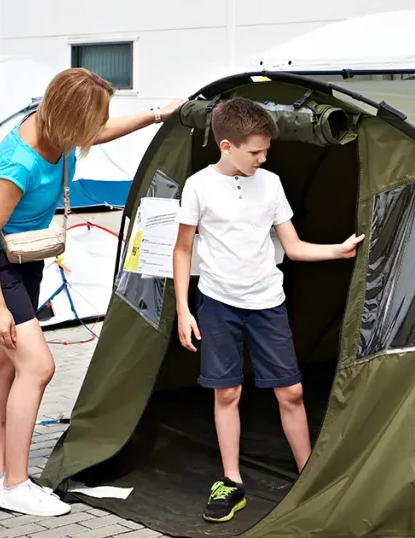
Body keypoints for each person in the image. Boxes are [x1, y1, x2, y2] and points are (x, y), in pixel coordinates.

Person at [0, 67, 181, 517]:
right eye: (92, 118)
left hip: (25, 256)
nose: (96, 127)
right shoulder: (19, 162)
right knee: (38, 367)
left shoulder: (60, 131)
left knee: (3, 365)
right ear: (70, 116)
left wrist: (159, 114)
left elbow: (105, 131)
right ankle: (17, 486)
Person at [172, 97, 364, 523]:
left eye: (265, 151)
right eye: (255, 151)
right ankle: (231, 481)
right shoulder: (198, 186)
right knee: (228, 392)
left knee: (291, 391)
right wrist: (184, 310)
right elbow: (183, 249)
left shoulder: (271, 183)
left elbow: (292, 248)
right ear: (226, 146)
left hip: (267, 303)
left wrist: (339, 250)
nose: (263, 158)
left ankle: (308, 475)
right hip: (218, 303)